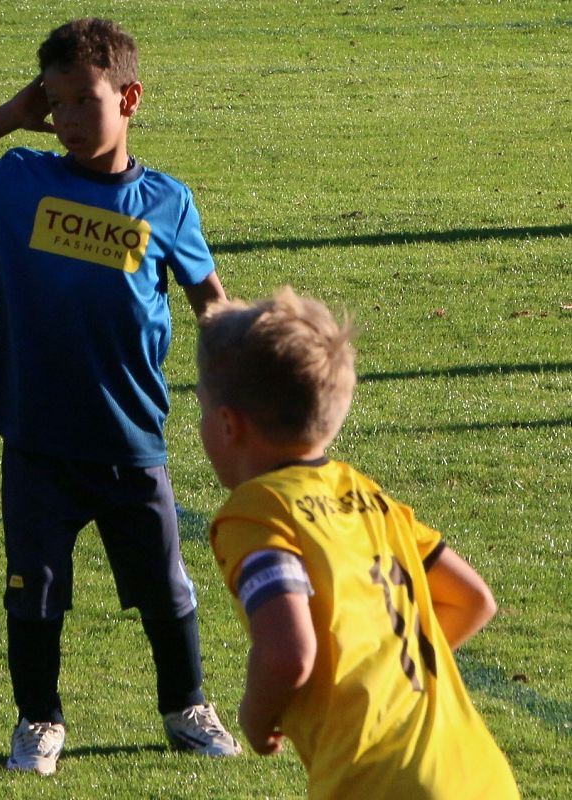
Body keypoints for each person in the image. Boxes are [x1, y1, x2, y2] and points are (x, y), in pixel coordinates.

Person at [0, 17, 240, 775]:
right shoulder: (20, 183)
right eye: (53, 103)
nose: (64, 119)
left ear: (129, 98)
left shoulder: (166, 201)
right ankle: (38, 719)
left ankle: (186, 706)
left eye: (81, 101)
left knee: (164, 585)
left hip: (131, 434)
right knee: (34, 590)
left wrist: (234, 379)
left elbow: (210, 300)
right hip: (37, 436)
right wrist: (10, 114)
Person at [196, 286, 521, 799]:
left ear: (228, 424)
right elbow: (472, 600)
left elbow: (288, 654)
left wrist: (255, 717)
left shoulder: (256, 511)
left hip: (379, 785)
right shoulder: (367, 495)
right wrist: (382, 679)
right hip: (479, 774)